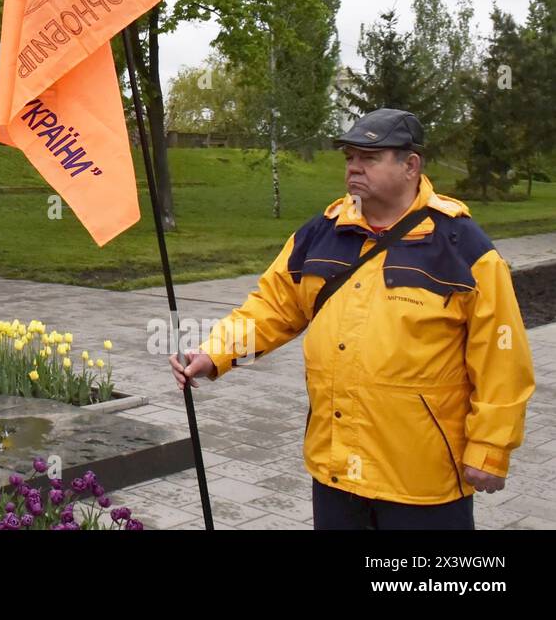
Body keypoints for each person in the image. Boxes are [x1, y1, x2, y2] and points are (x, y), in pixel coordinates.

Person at [170, 108, 535, 530]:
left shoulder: (462, 246)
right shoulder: (322, 232)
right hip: (336, 468)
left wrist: (490, 448)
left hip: (422, 478)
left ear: (410, 165)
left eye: (369, 157)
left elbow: (501, 356)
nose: (354, 169)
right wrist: (215, 354)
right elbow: (272, 307)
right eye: (349, 158)